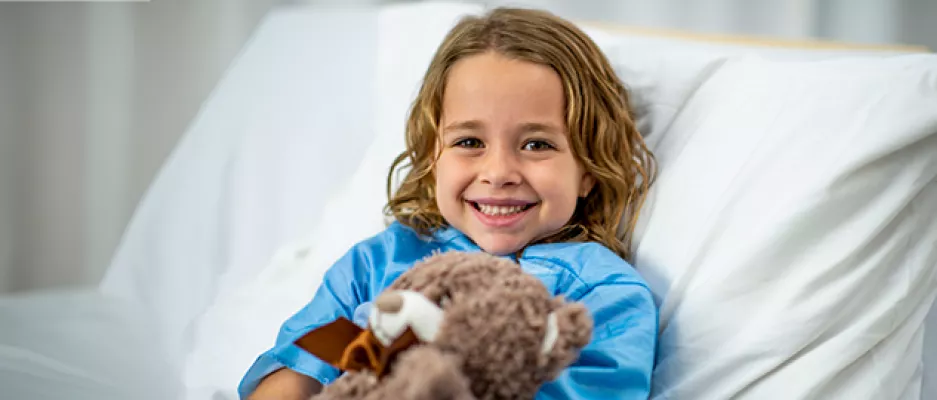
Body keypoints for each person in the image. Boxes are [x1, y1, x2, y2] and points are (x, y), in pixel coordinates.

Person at [239, 6, 658, 400]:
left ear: (588, 168)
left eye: (536, 144)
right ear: (432, 157)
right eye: (470, 142)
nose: (498, 172)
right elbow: (299, 369)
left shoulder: (603, 293)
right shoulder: (376, 263)